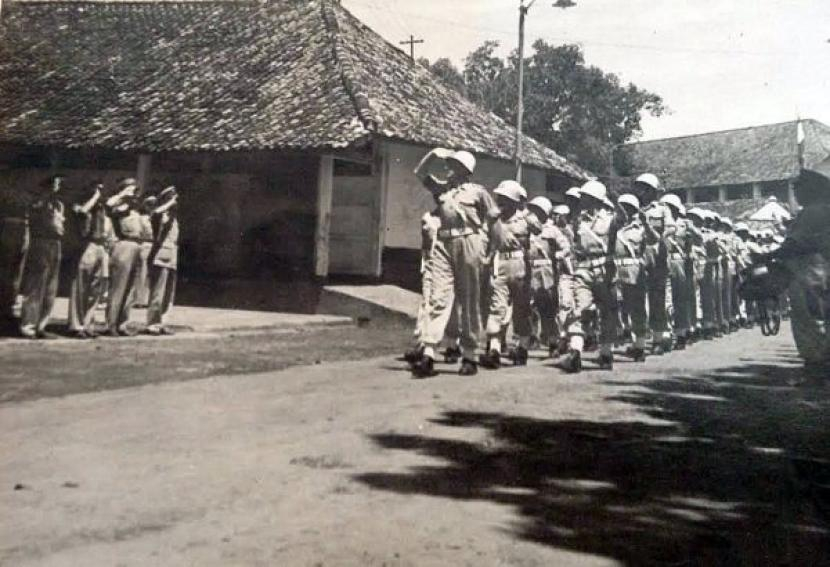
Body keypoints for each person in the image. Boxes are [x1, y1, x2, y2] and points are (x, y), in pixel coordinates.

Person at [411, 148, 499, 378]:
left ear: (464, 170)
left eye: (453, 164)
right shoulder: (442, 190)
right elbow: (419, 173)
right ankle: (429, 353)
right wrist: (432, 154)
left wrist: (491, 251)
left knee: (469, 299)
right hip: (443, 244)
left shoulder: (478, 193)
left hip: (470, 242)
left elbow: (494, 220)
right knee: (439, 297)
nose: (448, 167)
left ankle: (469, 355)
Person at [766, 159, 830, 371]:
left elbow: (795, 245)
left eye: (798, 187)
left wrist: (767, 257)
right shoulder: (822, 210)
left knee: (809, 322)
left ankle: (816, 367)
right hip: (818, 271)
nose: (796, 192)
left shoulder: (813, 212)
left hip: (810, 273)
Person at [561, 180, 624, 372]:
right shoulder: (578, 220)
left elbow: (623, 218)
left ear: (596, 199)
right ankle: (576, 352)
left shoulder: (610, 219)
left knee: (607, 313)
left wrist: (615, 199)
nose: (582, 201)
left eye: (586, 197)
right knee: (580, 309)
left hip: (605, 272)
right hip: (584, 271)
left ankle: (606, 353)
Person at [481, 180, 532, 368]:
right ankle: (494, 349)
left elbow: (538, 235)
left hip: (520, 266)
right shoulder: (494, 219)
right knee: (497, 306)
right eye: (500, 197)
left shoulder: (525, 219)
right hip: (500, 264)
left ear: (515, 201)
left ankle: (523, 348)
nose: (501, 201)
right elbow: (487, 239)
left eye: (505, 198)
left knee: (521, 309)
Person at [19, 174, 65, 339]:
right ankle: (28, 326)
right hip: (41, 241)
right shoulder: (38, 202)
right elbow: (36, 213)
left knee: (50, 288)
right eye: (56, 183)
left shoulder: (58, 204)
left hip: (55, 243)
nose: (58, 186)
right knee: (36, 286)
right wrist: (44, 196)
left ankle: (41, 325)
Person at [635, 173, 676, 355]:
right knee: (637, 300)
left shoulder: (662, 210)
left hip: (657, 258)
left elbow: (671, 227)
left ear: (652, 191)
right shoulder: (634, 208)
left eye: (644, 188)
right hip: (637, 258)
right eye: (639, 187)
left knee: (657, 300)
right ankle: (640, 341)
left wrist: (660, 237)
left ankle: (659, 338)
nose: (640, 191)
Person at [68, 181, 113, 339]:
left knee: (95, 288)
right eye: (96, 187)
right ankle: (76, 325)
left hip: (100, 246)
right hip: (86, 245)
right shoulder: (81, 202)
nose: (100, 191)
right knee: (81, 287)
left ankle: (88, 324)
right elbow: (81, 212)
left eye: (101, 188)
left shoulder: (101, 208)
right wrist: (94, 197)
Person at [615, 193, 655, 361]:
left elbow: (653, 240)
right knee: (616, 308)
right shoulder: (613, 226)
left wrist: (646, 224)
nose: (623, 210)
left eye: (627, 207)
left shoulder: (640, 228)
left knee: (638, 309)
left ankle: (639, 346)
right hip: (616, 270)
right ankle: (621, 338)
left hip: (634, 270)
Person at [660, 193, 700, 349]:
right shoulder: (660, 225)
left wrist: (692, 228)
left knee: (680, 299)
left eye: (668, 207)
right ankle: (667, 332)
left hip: (679, 262)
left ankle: (681, 332)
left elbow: (697, 241)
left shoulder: (684, 225)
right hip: (662, 261)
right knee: (664, 299)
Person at [105, 178, 144, 337]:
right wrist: (122, 194)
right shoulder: (118, 204)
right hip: (123, 245)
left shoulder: (135, 207)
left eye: (135, 189)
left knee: (130, 289)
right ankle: (111, 324)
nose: (134, 192)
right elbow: (108, 206)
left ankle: (122, 323)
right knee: (118, 288)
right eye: (131, 188)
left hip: (136, 245)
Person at [0, 178, 32, 335]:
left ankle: (8, 312)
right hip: (9, 231)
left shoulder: (25, 196)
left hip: (20, 232)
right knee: (6, 276)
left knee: (14, 278)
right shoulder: (7, 194)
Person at [146, 186, 179, 335]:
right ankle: (153, 323)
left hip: (171, 257)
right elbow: (155, 214)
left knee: (168, 294)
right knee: (158, 293)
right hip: (160, 256)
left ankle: (163, 322)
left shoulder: (173, 217)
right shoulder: (160, 214)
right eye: (172, 197)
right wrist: (168, 204)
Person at [551, 203, 576, 357]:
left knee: (566, 305)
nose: (556, 217)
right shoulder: (551, 230)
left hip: (567, 272)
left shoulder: (569, 232)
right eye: (554, 214)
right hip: (554, 272)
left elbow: (570, 252)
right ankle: (559, 336)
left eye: (559, 215)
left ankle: (564, 337)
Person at [133, 195, 157, 308]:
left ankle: (148, 299)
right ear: (146, 206)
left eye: (154, 205)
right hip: (145, 244)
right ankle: (139, 299)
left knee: (151, 274)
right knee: (142, 272)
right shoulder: (142, 218)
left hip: (155, 245)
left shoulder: (157, 217)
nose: (152, 207)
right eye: (150, 205)